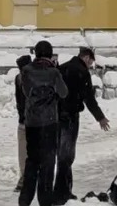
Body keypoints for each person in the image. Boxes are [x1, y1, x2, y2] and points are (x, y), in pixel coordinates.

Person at [54, 48, 110, 205]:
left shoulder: (62, 67)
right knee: (67, 155)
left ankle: (64, 190)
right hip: (70, 116)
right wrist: (100, 117)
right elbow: (88, 97)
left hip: (57, 116)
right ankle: (61, 193)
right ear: (86, 58)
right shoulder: (81, 72)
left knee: (61, 154)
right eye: (91, 62)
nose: (91, 65)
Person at [18, 40, 68, 206]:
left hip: (32, 123)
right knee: (47, 164)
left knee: (32, 161)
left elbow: (25, 91)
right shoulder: (53, 72)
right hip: (49, 123)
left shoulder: (26, 71)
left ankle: (25, 199)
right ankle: (45, 200)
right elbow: (63, 93)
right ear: (50, 54)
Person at [14, 53, 33, 191]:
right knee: (25, 152)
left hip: (30, 120)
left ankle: (26, 177)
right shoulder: (19, 79)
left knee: (25, 152)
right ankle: (25, 177)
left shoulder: (22, 79)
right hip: (28, 120)